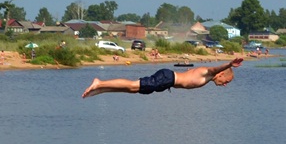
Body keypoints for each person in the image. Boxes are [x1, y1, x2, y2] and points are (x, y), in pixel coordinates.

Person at [82, 58, 243, 98]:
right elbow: (215, 68)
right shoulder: (209, 73)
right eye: (226, 82)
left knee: (133, 90)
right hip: (167, 78)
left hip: (165, 81)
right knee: (132, 86)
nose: (224, 85)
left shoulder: (208, 78)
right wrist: (229, 63)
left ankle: (102, 89)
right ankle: (100, 83)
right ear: (221, 74)